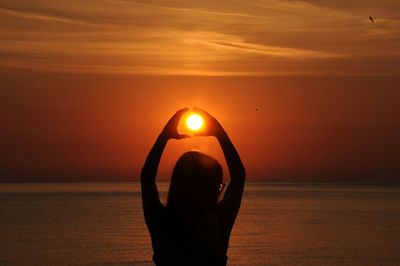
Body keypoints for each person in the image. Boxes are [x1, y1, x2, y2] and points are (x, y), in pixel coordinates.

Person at [141, 107, 246, 265]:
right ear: (206, 189)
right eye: (218, 186)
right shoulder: (217, 224)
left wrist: (164, 137)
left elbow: (147, 179)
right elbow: (239, 177)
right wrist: (220, 133)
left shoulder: (162, 223)